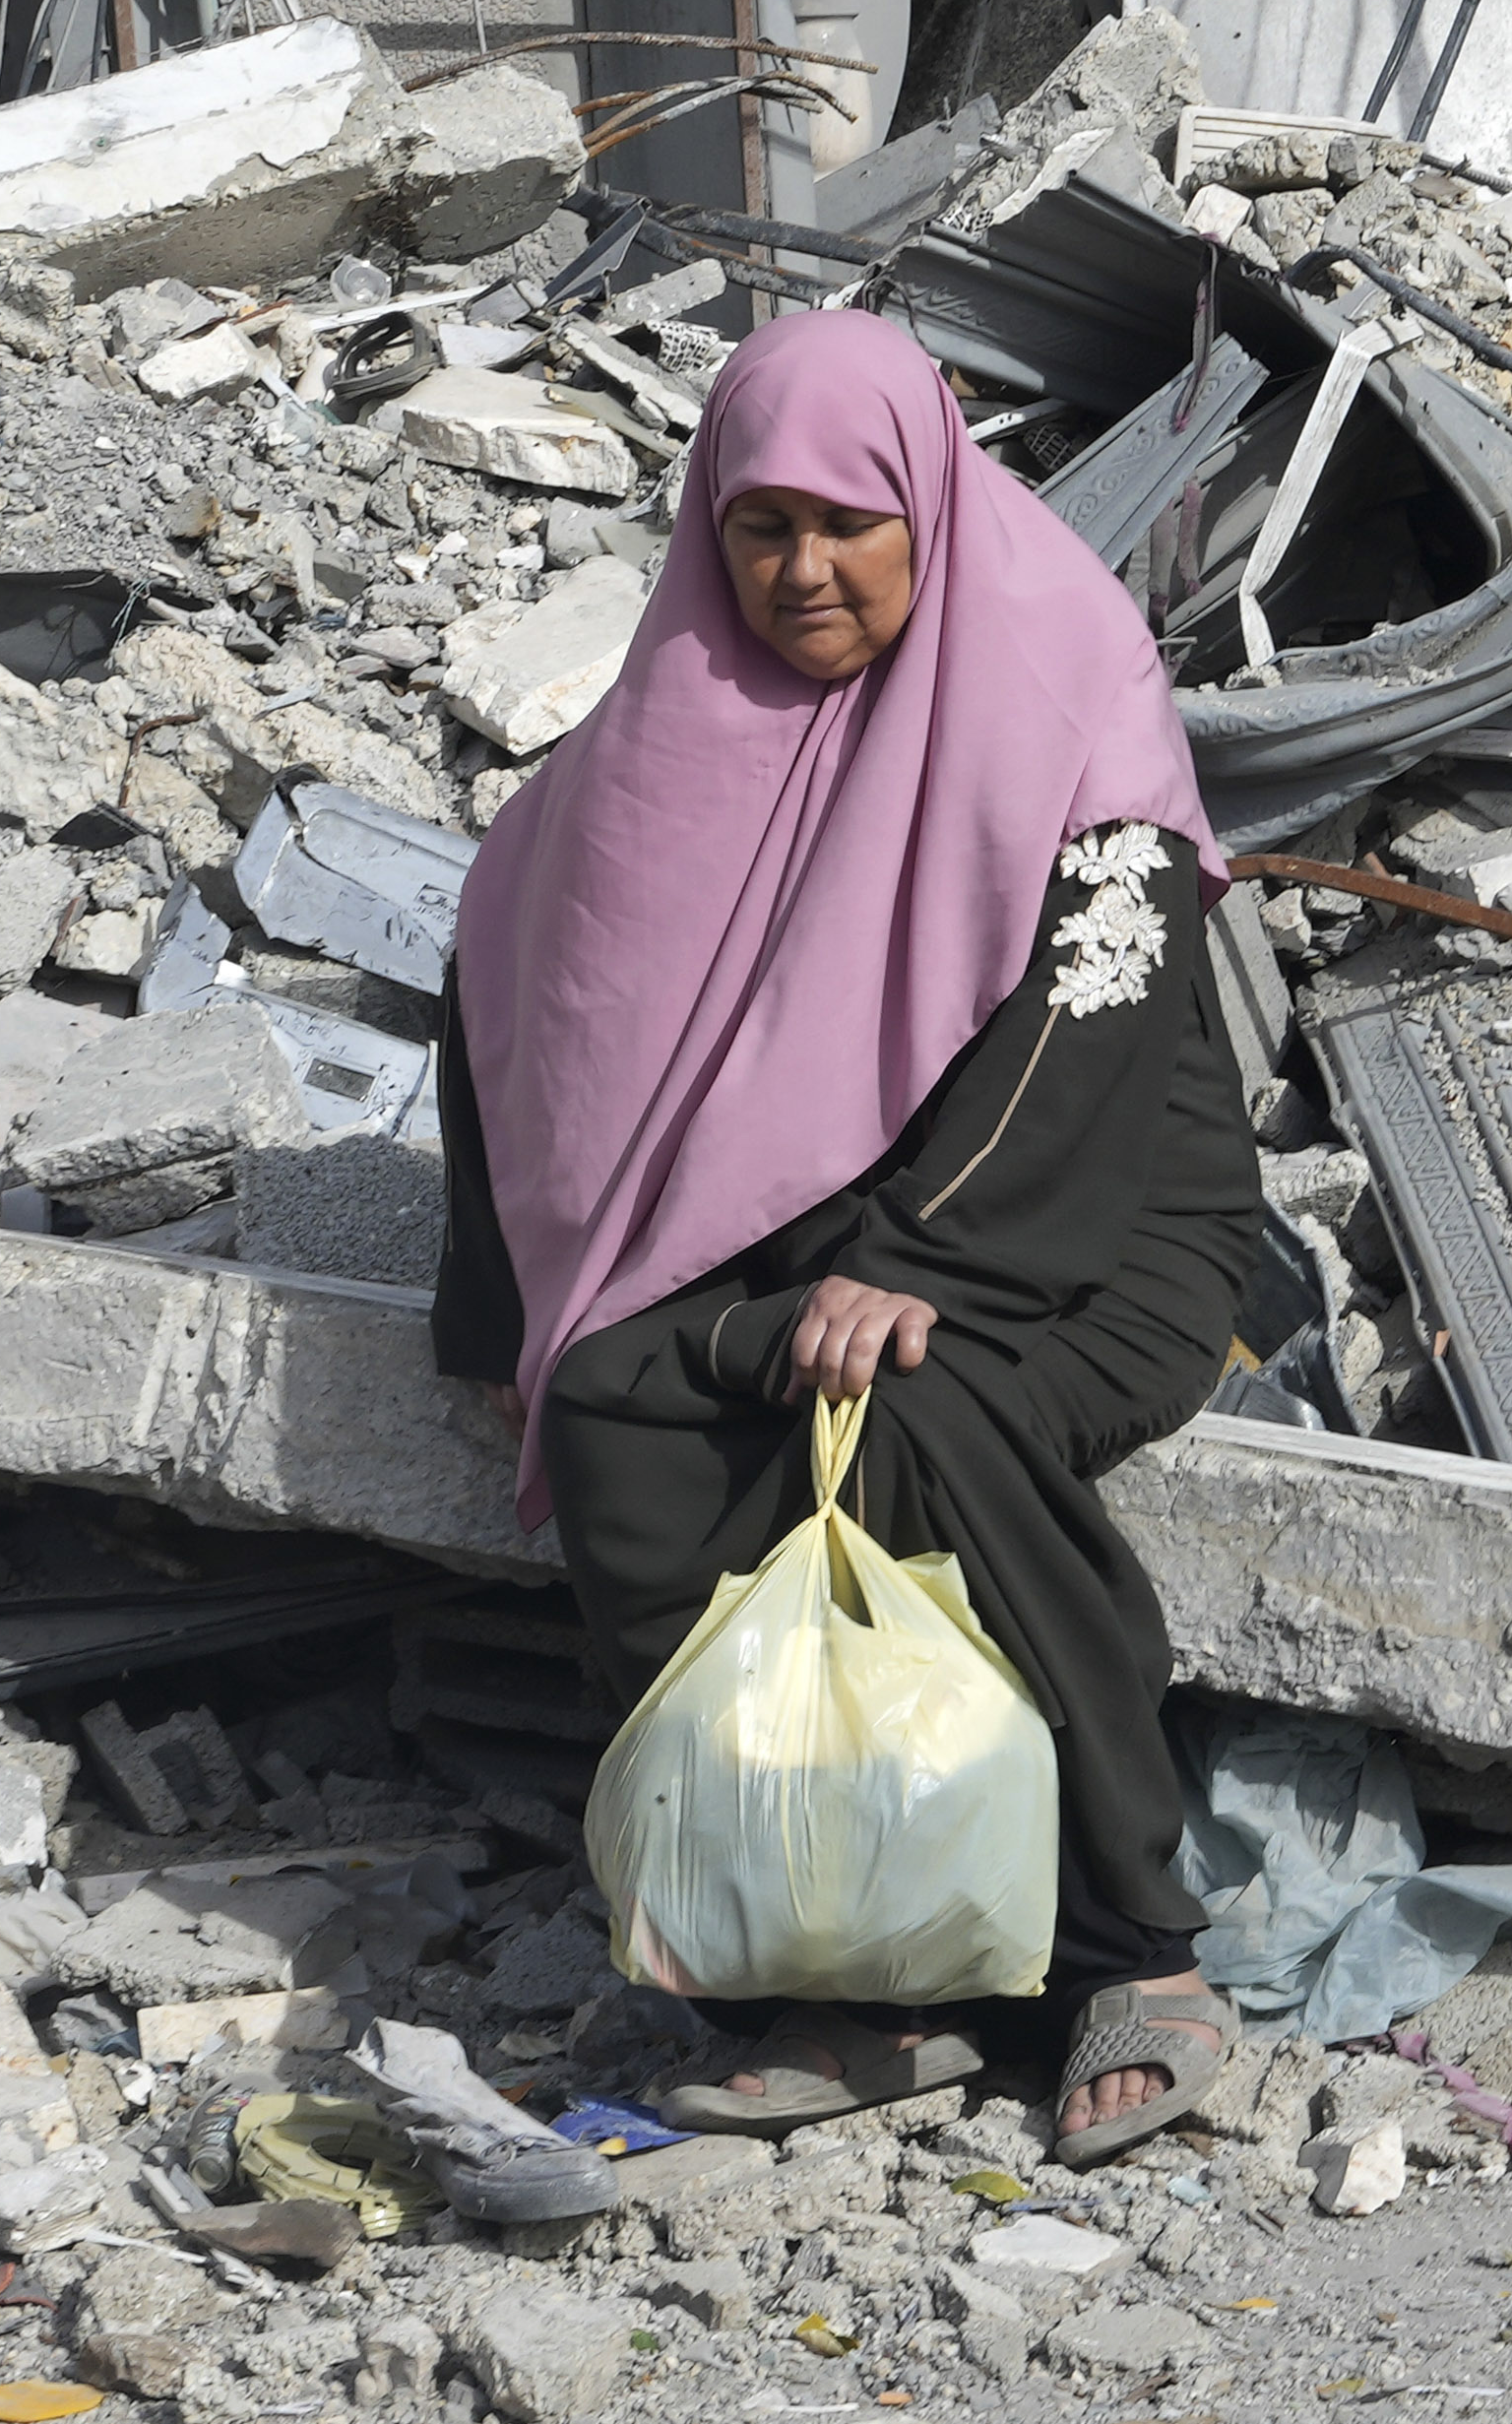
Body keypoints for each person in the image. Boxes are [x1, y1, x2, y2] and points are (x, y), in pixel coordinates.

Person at [430, 305, 1267, 2154]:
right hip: (785, 1249)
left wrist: (925, 1259)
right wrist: (509, 1320)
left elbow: (1093, 1023)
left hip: (1085, 1220)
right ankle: (836, 1969)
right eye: (759, 526)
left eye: (847, 521)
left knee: (916, 1419)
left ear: (931, 504)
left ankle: (1133, 1940)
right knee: (621, 1415)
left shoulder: (1060, 677)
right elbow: (512, 977)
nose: (803, 570)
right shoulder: (677, 727)